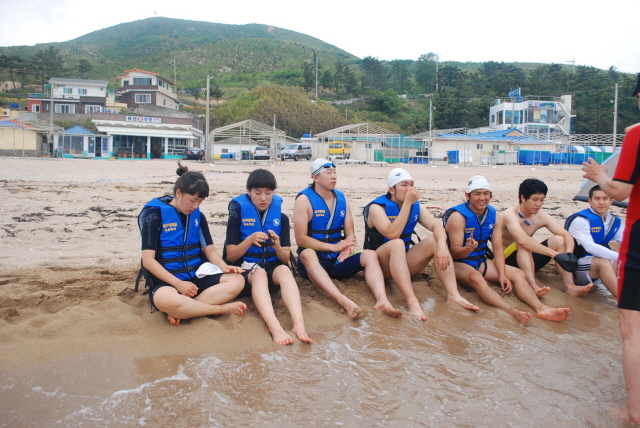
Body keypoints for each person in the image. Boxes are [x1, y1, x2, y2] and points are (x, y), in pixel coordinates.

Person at [443, 175, 571, 326]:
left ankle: (541, 308)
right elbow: (455, 252)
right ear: (468, 195)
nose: (482, 198)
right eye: (477, 194)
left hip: (481, 261)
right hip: (458, 264)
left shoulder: (495, 215)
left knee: (518, 274)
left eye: (486, 193)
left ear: (491, 195)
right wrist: (467, 249)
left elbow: (497, 248)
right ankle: (511, 311)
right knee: (477, 278)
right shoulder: (458, 217)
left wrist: (502, 274)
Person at [363, 168, 480, 320]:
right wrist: (407, 203)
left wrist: (442, 247)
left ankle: (454, 295)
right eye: (404, 185)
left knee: (434, 240)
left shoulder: (416, 206)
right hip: (380, 266)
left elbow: (437, 227)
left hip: (402, 264)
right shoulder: (377, 208)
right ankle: (412, 301)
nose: (409, 189)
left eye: (411, 184)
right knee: (397, 243)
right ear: (392, 189)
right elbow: (393, 234)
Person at [138, 162, 246, 326]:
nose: (195, 206)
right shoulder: (153, 216)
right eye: (192, 200)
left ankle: (184, 311)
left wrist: (224, 267)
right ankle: (218, 309)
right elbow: (148, 260)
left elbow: (209, 251)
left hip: (197, 277)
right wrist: (178, 284)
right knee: (167, 299)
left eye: (200, 202)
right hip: (168, 283)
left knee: (237, 280)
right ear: (178, 193)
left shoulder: (198, 217)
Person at [293, 158, 402, 319]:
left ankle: (382, 300)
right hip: (313, 261)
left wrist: (348, 245)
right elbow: (301, 239)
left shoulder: (342, 199)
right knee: (307, 254)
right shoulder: (304, 200)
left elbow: (350, 232)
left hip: (338, 259)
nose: (334, 176)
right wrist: (334, 247)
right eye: (328, 173)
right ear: (316, 177)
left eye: (334, 172)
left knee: (370, 254)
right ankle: (343, 301)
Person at [582, 123, 640, 425]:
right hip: (583, 265)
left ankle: (634, 412)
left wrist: (600, 177)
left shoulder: (636, 134)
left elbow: (620, 190)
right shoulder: (580, 219)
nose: (603, 200)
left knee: (632, 331)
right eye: (598, 197)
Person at [225, 169, 312, 345]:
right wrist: (249, 240)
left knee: (284, 270)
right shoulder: (237, 215)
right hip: (245, 276)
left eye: (268, 193)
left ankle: (299, 325)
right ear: (248, 192)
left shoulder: (281, 219)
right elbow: (231, 256)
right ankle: (274, 327)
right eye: (258, 193)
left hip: (270, 274)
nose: (263, 198)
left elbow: (284, 258)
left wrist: (277, 246)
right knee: (258, 273)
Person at [500, 178, 591, 296]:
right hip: (505, 261)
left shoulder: (540, 216)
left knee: (559, 240)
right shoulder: (510, 214)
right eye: (535, 199)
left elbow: (566, 235)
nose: (538, 204)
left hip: (527, 261)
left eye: (542, 200)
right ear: (523, 198)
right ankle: (533, 286)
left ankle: (570, 287)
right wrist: (554, 254)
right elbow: (522, 240)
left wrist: (568, 254)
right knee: (523, 243)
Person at [565, 185, 624, 298]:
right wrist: (621, 257)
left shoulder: (614, 221)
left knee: (631, 260)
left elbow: (628, 244)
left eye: (605, 198)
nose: (601, 202)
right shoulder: (580, 220)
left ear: (611, 201)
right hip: (579, 269)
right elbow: (589, 247)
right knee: (604, 261)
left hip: (602, 269)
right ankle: (624, 301)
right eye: (597, 198)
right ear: (590, 201)